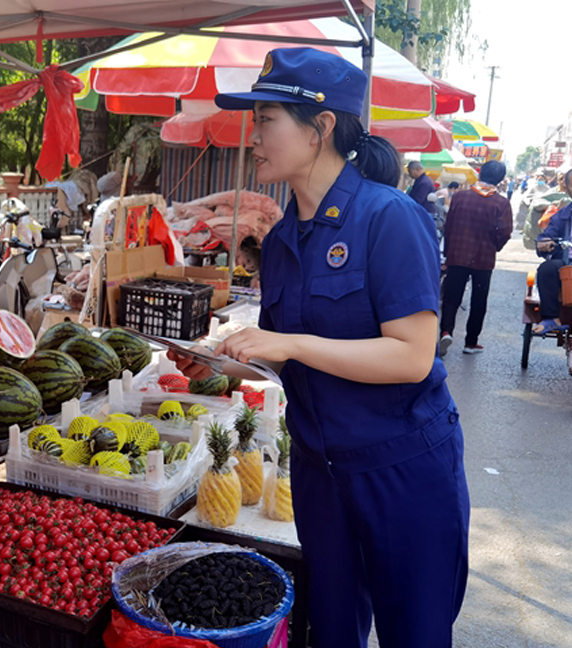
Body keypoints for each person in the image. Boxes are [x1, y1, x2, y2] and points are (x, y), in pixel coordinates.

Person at [173, 47, 468, 648]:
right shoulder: (282, 239)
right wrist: (230, 359)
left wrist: (291, 342)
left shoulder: (390, 219)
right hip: (319, 474)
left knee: (415, 634)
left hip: (401, 471)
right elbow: (288, 356)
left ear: (321, 128)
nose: (253, 137)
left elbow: (412, 356)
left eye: (267, 121)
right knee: (331, 632)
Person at [437, 161, 513, 355]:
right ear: (500, 179)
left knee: (451, 297)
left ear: (480, 173)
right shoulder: (501, 203)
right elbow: (504, 231)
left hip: (457, 255)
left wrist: (448, 253)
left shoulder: (460, 197)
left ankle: (446, 331)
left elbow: (449, 225)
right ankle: (471, 343)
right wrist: (494, 245)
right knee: (479, 301)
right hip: (483, 258)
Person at [533, 168, 572, 335]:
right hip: (566, 262)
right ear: (568, 188)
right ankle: (551, 318)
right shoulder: (562, 214)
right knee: (547, 268)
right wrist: (543, 243)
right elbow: (547, 235)